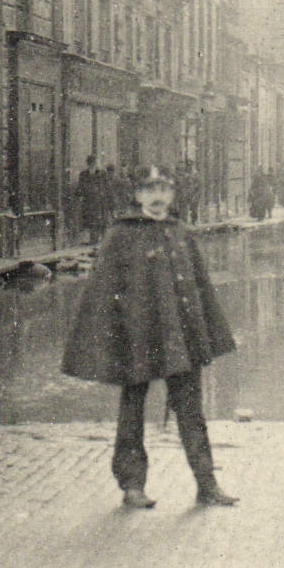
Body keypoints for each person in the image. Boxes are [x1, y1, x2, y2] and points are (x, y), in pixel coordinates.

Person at [61, 165, 239, 509]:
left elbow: (198, 289)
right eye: (150, 189)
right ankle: (132, 486)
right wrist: (116, 337)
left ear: (173, 195)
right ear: (138, 195)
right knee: (132, 412)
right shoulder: (121, 234)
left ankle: (207, 485)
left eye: (165, 189)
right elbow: (103, 290)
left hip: (179, 340)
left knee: (192, 413)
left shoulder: (180, 232)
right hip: (137, 338)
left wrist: (200, 335)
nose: (158, 197)